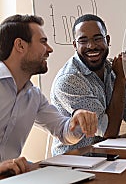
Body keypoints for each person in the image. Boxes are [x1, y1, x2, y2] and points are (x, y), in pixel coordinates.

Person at [0, 14, 97, 170]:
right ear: (20, 45)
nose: (50, 49)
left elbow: (63, 131)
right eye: (43, 42)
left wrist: (77, 121)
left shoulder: (34, 96)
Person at [50, 14, 126, 155]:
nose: (91, 46)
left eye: (97, 38)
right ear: (75, 45)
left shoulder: (111, 69)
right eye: (83, 40)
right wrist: (121, 79)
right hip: (74, 162)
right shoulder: (69, 80)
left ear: (107, 40)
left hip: (105, 156)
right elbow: (108, 131)